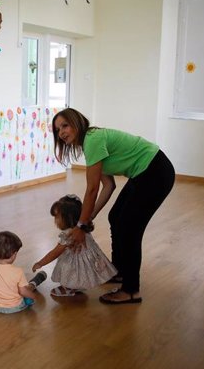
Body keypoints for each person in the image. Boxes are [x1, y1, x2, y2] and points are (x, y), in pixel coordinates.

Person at [52, 108, 175, 304]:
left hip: (155, 172)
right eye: (58, 130)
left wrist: (81, 226)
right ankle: (120, 272)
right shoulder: (90, 143)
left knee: (129, 228)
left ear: (77, 122)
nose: (62, 133)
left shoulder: (92, 139)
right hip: (144, 172)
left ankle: (131, 290)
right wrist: (88, 217)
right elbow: (108, 185)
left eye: (65, 125)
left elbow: (92, 189)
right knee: (116, 217)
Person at [32, 195, 117, 297]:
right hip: (89, 261)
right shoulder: (83, 228)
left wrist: (40, 263)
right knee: (78, 267)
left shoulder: (69, 235)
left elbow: (55, 253)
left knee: (66, 266)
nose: (55, 221)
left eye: (57, 217)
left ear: (68, 218)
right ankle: (77, 285)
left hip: (78, 262)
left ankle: (68, 288)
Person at [0, 231, 48, 314]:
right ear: (14, 254)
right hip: (14, 307)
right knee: (27, 292)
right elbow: (23, 292)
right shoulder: (18, 271)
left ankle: (34, 283)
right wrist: (35, 297)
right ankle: (35, 282)